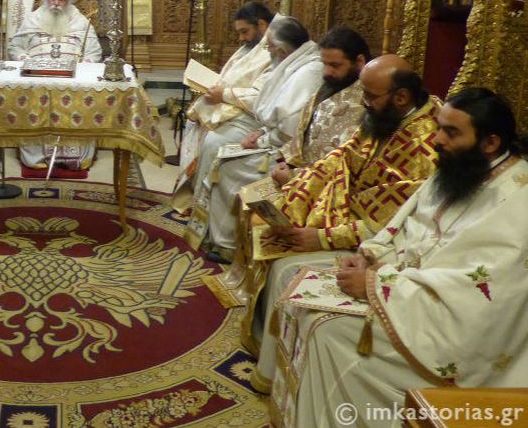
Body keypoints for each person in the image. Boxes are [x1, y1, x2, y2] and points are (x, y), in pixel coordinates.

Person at [279, 88, 528, 426]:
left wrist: (376, 284)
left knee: (328, 330)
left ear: (490, 142)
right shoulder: (460, 170)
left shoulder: (518, 201)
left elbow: (482, 292)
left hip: (452, 329)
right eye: (439, 128)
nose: (436, 140)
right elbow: (408, 228)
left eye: (451, 132)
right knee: (300, 299)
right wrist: (370, 257)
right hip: (405, 290)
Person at [249, 54, 439, 393]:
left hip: (383, 243)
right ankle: (272, 363)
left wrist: (321, 238)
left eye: (370, 95)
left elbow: (393, 223)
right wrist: (299, 181)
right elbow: (340, 158)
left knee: (286, 267)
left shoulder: (423, 147)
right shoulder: (384, 118)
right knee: (270, 233)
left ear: (401, 96)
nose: (362, 102)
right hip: (345, 214)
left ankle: (279, 377)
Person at [204, 26, 368, 306]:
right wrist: (286, 160)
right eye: (325, 64)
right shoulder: (329, 88)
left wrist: (295, 176)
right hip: (301, 172)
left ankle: (262, 292)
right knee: (249, 196)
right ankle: (239, 265)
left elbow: (342, 163)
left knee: (258, 206)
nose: (327, 72)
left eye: (335, 65)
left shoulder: (363, 103)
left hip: (330, 195)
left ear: (360, 62)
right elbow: (302, 132)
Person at [186, 17, 322, 256]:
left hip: (290, 154)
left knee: (226, 165)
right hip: (273, 138)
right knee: (217, 147)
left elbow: (289, 129)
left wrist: (260, 139)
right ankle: (214, 233)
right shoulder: (296, 62)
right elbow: (280, 117)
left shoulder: (308, 72)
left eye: (269, 48)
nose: (267, 53)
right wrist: (261, 132)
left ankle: (228, 245)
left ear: (281, 49)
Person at [173, 2, 274, 214]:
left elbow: (261, 97)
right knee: (193, 125)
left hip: (252, 119)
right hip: (231, 108)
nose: (241, 38)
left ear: (262, 25)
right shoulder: (250, 48)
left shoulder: (273, 52)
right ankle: (193, 193)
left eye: (244, 31)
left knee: (212, 141)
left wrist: (223, 94)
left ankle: (205, 207)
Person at [8, 0, 101, 172]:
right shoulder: (32, 19)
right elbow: (15, 47)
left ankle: (74, 155)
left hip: (73, 79)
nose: (56, 3)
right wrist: (25, 59)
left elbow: (93, 52)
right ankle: (37, 154)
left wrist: (87, 63)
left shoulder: (81, 22)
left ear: (69, 1)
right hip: (37, 78)